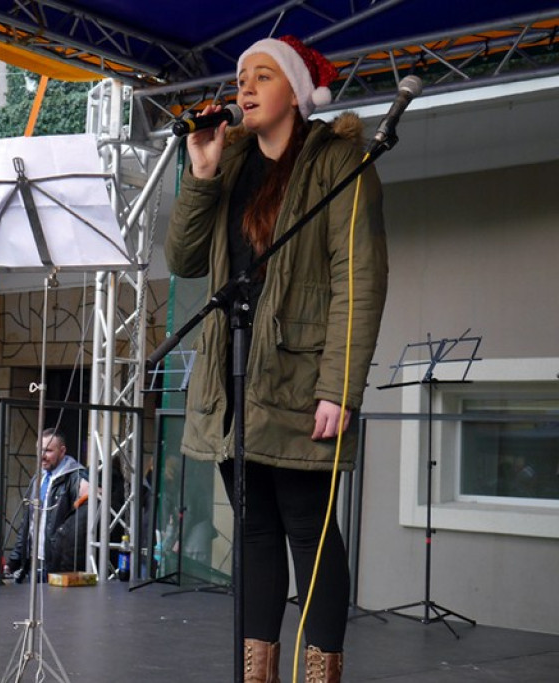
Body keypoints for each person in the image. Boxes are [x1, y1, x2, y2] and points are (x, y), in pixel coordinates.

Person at [164, 35, 389, 683]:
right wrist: (201, 173)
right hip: (235, 377)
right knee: (254, 531)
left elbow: (361, 278)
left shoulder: (340, 161)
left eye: (263, 75)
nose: (245, 87)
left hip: (302, 380)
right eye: (241, 77)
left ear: (297, 90)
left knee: (310, 533)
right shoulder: (228, 163)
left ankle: (318, 674)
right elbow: (182, 259)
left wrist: (339, 386)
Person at [6, 429, 90, 581]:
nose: (42, 456)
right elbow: (27, 523)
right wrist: (14, 560)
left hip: (59, 566)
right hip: (32, 562)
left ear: (62, 451)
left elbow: (84, 524)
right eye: (39, 450)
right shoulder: (39, 478)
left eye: (48, 451)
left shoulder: (76, 477)